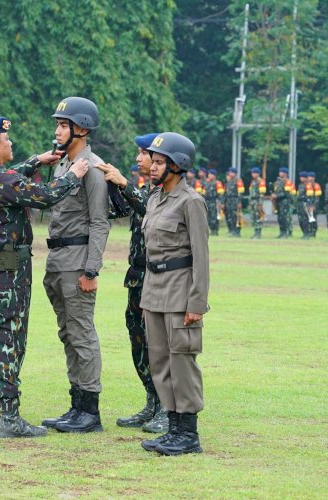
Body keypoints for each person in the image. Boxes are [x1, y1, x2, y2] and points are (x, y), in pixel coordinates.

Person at [0, 116, 89, 438]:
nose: (10, 144)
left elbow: (10, 179)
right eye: (6, 141)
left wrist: (36, 161)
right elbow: (45, 196)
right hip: (7, 270)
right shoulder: (1, 179)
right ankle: (9, 417)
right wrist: (72, 176)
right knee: (8, 337)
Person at [41, 97, 110, 434]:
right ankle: (76, 405)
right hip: (56, 261)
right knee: (68, 334)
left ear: (81, 128)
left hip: (77, 263)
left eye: (63, 124)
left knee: (82, 334)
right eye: (58, 124)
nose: (57, 130)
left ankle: (90, 410)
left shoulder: (92, 168)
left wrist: (91, 270)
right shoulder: (62, 165)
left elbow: (100, 222)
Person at [93, 133, 169, 435]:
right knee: (139, 342)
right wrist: (113, 190)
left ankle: (167, 407)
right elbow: (123, 210)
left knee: (158, 343)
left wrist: (124, 184)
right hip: (136, 277)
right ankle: (152, 401)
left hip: (158, 278)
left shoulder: (166, 192)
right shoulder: (147, 189)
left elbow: (151, 212)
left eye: (144, 154)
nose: (139, 159)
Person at [139, 132, 209, 456]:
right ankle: (172, 427)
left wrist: (197, 302)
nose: (152, 167)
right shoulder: (155, 199)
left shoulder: (191, 202)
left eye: (158, 162)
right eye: (152, 161)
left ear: (176, 165)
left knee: (182, 361)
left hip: (181, 290)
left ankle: (189, 433)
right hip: (154, 290)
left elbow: (201, 257)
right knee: (160, 361)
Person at [272, 167, 295, 239]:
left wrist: (276, 196)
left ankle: (287, 233)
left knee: (285, 218)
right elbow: (276, 191)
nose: (280, 173)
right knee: (280, 218)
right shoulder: (278, 182)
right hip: (279, 202)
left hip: (285, 202)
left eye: (281, 172)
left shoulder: (287, 182)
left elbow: (286, 194)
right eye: (280, 172)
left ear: (285, 173)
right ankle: (282, 232)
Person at [223, 167, 243, 237]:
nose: (229, 173)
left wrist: (239, 202)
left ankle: (237, 232)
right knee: (230, 217)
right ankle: (233, 230)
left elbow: (240, 192)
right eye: (229, 172)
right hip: (229, 201)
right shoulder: (229, 181)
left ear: (234, 173)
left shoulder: (238, 181)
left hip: (235, 200)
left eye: (231, 172)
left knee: (236, 216)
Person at [248, 167, 266, 239]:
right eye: (252, 173)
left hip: (257, 201)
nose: (252, 174)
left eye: (254, 173)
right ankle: (255, 232)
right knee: (253, 217)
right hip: (252, 201)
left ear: (258, 174)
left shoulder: (261, 181)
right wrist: (249, 203)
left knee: (258, 216)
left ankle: (258, 233)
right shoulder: (253, 182)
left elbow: (262, 194)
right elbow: (251, 193)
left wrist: (260, 204)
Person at [204, 169, 222, 236]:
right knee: (208, 217)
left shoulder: (217, 183)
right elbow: (203, 193)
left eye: (211, 174)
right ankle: (211, 230)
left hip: (214, 201)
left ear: (214, 176)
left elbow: (220, 194)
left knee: (214, 217)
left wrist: (220, 202)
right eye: (208, 174)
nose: (209, 175)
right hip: (207, 201)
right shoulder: (206, 183)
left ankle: (215, 230)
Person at [307, 172, 322, 238]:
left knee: (313, 219)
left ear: (313, 178)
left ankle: (313, 232)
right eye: (308, 177)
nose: (309, 178)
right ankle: (308, 232)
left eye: (311, 177)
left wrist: (314, 205)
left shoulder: (316, 185)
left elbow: (317, 197)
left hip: (313, 205)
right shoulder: (307, 185)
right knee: (308, 219)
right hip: (307, 205)